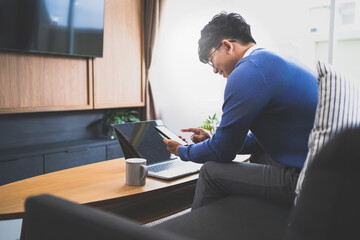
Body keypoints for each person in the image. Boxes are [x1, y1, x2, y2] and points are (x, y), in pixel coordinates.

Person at [163, 12, 318, 209]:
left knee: (211, 172)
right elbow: (259, 140)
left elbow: (223, 151)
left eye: (212, 59)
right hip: (323, 173)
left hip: (305, 181)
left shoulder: (246, 72)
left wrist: (182, 151)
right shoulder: (273, 61)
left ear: (227, 45)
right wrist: (212, 140)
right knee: (259, 157)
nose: (214, 70)